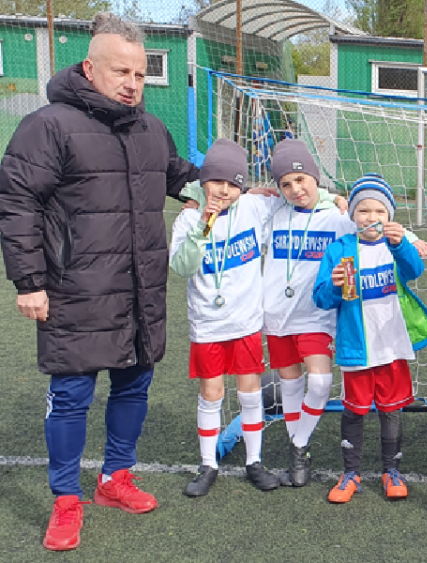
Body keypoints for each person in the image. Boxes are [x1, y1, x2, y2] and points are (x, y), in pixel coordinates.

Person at [0, 13, 199, 551]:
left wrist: (241, 187)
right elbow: (17, 202)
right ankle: (66, 500)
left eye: (140, 74)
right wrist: (28, 282)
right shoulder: (48, 126)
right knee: (70, 396)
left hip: (140, 289)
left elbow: (181, 176)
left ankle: (115, 477)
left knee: (134, 384)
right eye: (121, 72)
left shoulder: (150, 129)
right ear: (90, 69)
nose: (132, 84)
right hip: (74, 290)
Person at [313, 174, 427, 504]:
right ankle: (351, 473)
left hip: (391, 345)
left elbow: (414, 271)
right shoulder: (339, 250)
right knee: (354, 410)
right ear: (352, 215)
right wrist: (334, 285)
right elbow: (321, 298)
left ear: (389, 216)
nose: (370, 217)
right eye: (363, 211)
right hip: (356, 347)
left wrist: (401, 245)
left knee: (391, 409)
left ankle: (391, 470)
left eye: (379, 212)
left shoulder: (394, 246)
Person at [169, 139, 283, 497]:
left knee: (250, 392)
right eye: (216, 181)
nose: (224, 190)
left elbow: (298, 196)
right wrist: (204, 224)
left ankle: (254, 461)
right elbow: (182, 266)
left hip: (246, 323)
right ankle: (208, 464)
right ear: (203, 181)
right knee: (211, 393)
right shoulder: (189, 218)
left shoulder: (252, 207)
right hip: (208, 325)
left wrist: (334, 200)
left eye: (233, 184)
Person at [261, 139, 352, 488]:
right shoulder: (273, 214)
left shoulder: (337, 218)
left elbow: (371, 223)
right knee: (291, 385)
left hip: (315, 314)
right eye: (285, 184)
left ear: (315, 176)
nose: (295, 189)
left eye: (301, 179)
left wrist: (408, 238)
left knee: (321, 382)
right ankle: (299, 453)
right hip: (277, 314)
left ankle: (298, 445)